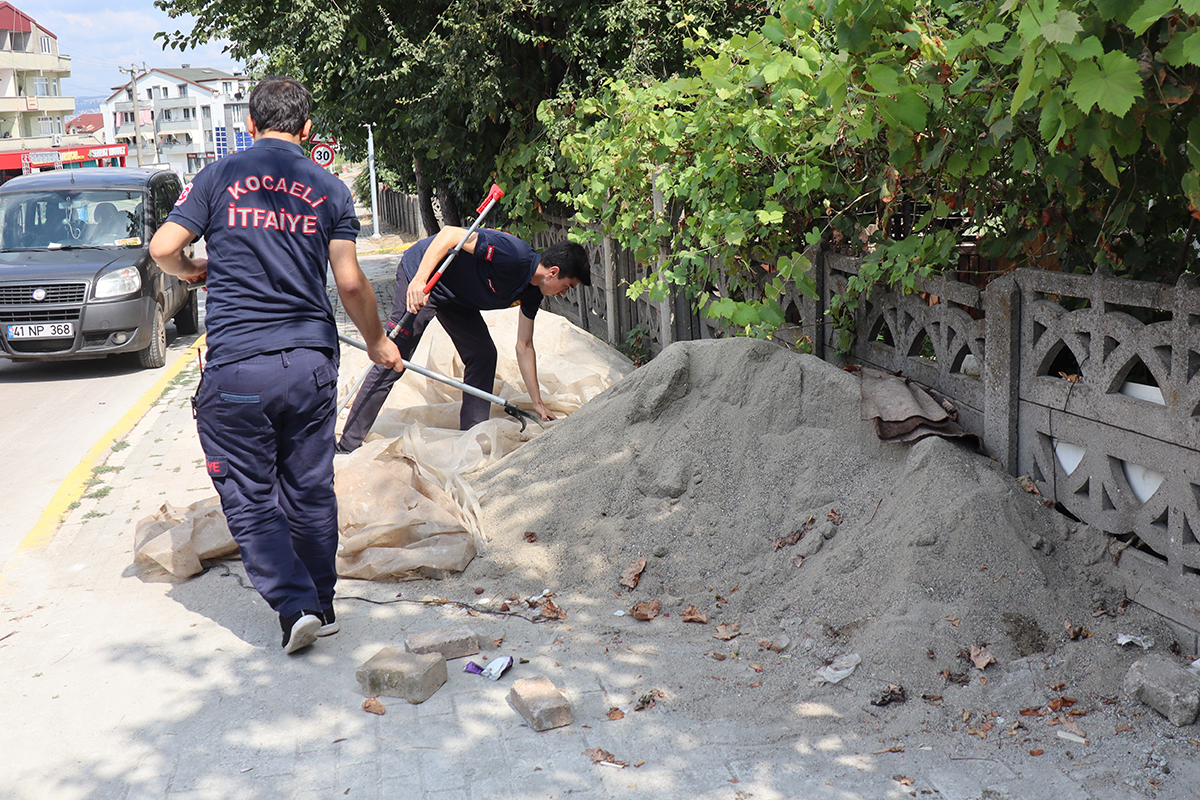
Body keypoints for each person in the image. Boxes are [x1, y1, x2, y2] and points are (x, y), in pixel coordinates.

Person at [148, 76, 402, 654]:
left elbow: (164, 249)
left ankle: (293, 609)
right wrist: (381, 344)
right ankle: (323, 602)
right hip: (310, 364)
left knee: (248, 494)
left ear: (250, 127)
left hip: (239, 367)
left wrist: (191, 271)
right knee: (310, 488)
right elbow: (351, 282)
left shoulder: (217, 176)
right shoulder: (329, 188)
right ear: (307, 130)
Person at [336, 231, 590, 452]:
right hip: (426, 278)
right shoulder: (513, 254)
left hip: (457, 298)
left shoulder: (533, 292)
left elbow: (524, 346)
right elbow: (449, 235)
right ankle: (347, 445)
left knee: (483, 354)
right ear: (553, 272)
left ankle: (472, 435)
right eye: (567, 286)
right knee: (393, 357)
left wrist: (537, 404)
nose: (564, 293)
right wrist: (418, 281)